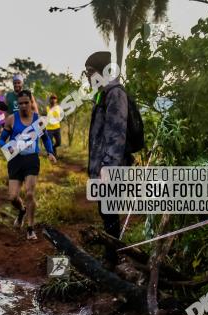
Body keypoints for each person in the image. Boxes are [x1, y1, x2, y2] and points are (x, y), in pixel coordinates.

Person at [85, 50, 129, 265]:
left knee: (110, 211)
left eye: (90, 72)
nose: (86, 76)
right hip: (101, 165)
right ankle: (112, 254)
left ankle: (113, 257)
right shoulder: (102, 93)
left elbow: (117, 133)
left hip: (111, 166)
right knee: (105, 210)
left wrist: (108, 167)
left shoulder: (115, 94)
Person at [0, 90, 56, 241]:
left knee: (30, 193)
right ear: (18, 104)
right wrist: (6, 148)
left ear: (31, 103)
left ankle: (30, 228)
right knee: (12, 197)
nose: (23, 105)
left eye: (26, 102)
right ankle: (22, 211)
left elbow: (46, 139)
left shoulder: (38, 121)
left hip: (31, 159)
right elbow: (1, 139)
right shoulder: (11, 119)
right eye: (20, 103)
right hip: (15, 160)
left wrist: (50, 152)